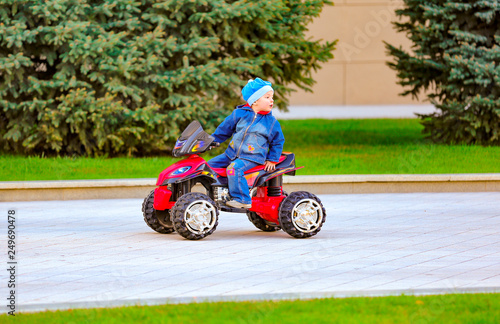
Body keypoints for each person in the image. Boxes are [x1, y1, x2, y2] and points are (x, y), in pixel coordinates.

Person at [208, 78, 285, 208]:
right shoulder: (239, 114)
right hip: (231, 154)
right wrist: (212, 141)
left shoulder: (271, 122)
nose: (271, 100)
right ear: (254, 100)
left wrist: (272, 159)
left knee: (234, 168)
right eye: (267, 97)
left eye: (272, 97)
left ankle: (242, 199)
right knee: (208, 167)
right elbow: (224, 129)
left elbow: (278, 141)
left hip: (252, 157)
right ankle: (226, 190)